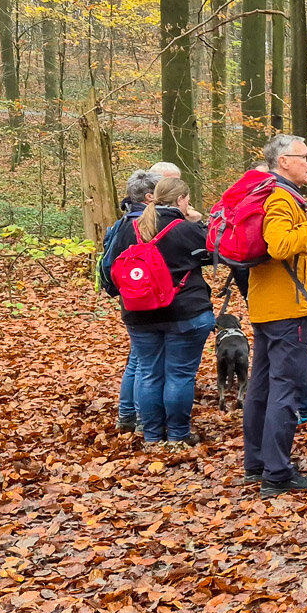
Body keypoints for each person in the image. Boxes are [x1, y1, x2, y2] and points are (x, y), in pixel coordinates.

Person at [242, 133, 307, 497]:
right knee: (285, 389)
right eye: (305, 157)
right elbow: (278, 245)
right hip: (287, 309)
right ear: (283, 161)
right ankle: (277, 473)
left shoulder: (272, 195)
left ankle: (258, 463)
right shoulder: (280, 197)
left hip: (268, 305)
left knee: (261, 387)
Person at [115, 176, 214, 447]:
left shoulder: (128, 228)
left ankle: (151, 436)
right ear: (181, 200)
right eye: (187, 200)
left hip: (139, 312)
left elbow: (113, 267)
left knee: (148, 372)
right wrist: (199, 223)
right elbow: (213, 252)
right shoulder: (184, 228)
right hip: (185, 312)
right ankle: (178, 436)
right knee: (179, 374)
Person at [101, 168, 161, 433]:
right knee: (143, 362)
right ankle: (139, 418)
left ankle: (126, 414)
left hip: (128, 296)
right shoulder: (143, 224)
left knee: (137, 358)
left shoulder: (122, 222)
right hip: (143, 298)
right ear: (149, 196)